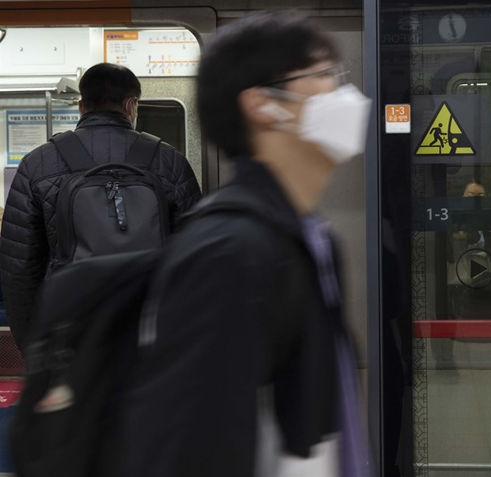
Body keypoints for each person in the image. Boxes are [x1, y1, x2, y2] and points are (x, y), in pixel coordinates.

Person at [108, 13, 373, 477]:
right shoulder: (228, 253)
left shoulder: (310, 237)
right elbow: (187, 451)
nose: (345, 95)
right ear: (264, 105)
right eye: (325, 76)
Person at [0, 63, 201, 353]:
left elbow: (18, 269)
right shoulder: (169, 162)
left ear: (81, 106)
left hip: (71, 331)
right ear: (132, 105)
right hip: (151, 331)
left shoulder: (37, 164)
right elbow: (195, 256)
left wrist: (35, 349)